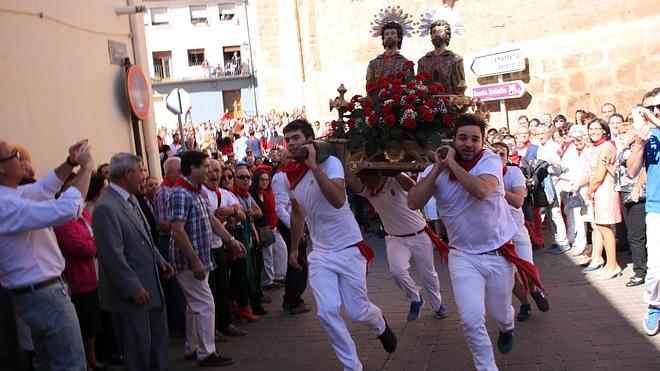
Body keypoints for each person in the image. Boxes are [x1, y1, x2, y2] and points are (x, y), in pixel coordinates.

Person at [408, 114, 545, 371]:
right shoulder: (436, 169)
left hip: (497, 253)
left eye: (475, 139)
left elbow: (482, 191)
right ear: (454, 140)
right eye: (463, 138)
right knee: (471, 320)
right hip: (462, 257)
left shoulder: (490, 160)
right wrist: (438, 167)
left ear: (482, 142)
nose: (468, 144)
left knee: (503, 314)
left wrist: (452, 164)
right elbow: (413, 202)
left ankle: (507, 329)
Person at [282, 119, 397, 370]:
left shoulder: (330, 163)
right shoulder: (289, 174)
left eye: (296, 138)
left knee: (357, 311)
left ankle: (379, 324)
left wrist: (313, 166)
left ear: (310, 140)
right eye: (287, 139)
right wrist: (293, 249)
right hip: (321, 253)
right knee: (326, 312)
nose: (290, 143)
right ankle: (352, 366)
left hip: (348, 248)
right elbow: (297, 213)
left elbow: (337, 199)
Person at [1, 139, 93, 371]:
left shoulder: (12, 195)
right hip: (44, 295)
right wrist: (87, 169)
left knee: (48, 364)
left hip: (38, 295)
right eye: (14, 154)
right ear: (1, 167)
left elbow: (42, 188)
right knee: (71, 365)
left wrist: (70, 162)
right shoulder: (5, 204)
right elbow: (66, 209)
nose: (21, 159)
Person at [92, 153, 174, 371]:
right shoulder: (106, 207)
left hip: (151, 285)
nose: (144, 176)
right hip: (132, 295)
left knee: (157, 345)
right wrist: (132, 288)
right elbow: (111, 255)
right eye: (141, 171)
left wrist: (159, 260)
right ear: (127, 173)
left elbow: (144, 236)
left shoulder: (131, 199)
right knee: (138, 351)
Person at [169, 150, 247, 366]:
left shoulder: (197, 191)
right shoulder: (180, 193)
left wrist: (230, 240)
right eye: (205, 167)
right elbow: (177, 230)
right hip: (189, 261)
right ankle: (206, 353)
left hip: (201, 257)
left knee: (195, 304)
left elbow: (211, 219)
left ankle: (193, 347)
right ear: (193, 168)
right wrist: (194, 260)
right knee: (205, 303)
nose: (210, 171)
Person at [347, 170, 448, 321]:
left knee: (428, 274)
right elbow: (350, 180)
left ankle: (437, 305)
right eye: (363, 178)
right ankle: (416, 298)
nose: (366, 182)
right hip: (395, 239)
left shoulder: (395, 180)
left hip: (419, 235)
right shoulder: (368, 191)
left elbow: (413, 186)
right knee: (397, 272)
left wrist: (395, 171)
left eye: (368, 177)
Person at [54, 173, 108, 371]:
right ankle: (84, 360)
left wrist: (93, 241)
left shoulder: (83, 211)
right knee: (82, 322)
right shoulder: (61, 216)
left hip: (92, 274)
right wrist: (94, 243)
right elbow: (80, 246)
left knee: (93, 320)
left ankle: (92, 357)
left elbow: (96, 233)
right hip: (77, 276)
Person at [491, 142, 549, 322]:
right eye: (495, 154)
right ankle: (525, 303)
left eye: (502, 154)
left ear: (508, 157)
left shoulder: (514, 172)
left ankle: (534, 290)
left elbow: (518, 200)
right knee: (509, 273)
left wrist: (496, 188)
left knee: (527, 266)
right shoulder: (483, 175)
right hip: (498, 234)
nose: (498, 157)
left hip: (516, 229)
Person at [627, 87, 660, 336]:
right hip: (656, 207)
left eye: (659, 108)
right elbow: (631, 170)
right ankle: (654, 305)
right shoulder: (646, 135)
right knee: (657, 269)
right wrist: (639, 142)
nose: (654, 112)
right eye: (649, 109)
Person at [202, 159, 247, 340]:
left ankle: (225, 323)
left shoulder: (225, 193)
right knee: (209, 292)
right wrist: (227, 214)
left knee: (223, 288)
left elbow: (242, 214)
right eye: (211, 170)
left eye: (217, 171)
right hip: (206, 248)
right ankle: (211, 330)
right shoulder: (202, 193)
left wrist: (232, 211)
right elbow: (211, 221)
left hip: (219, 246)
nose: (215, 174)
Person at [272, 149, 312, 314]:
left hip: (295, 222)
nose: (292, 160)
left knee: (298, 260)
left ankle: (293, 298)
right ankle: (293, 299)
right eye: (288, 157)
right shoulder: (281, 177)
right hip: (290, 223)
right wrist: (295, 228)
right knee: (297, 261)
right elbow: (280, 207)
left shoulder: (291, 174)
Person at [583, 119, 622, 279]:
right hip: (599, 191)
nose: (593, 131)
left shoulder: (606, 147)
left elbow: (599, 175)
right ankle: (609, 264)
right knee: (601, 227)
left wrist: (589, 191)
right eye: (591, 129)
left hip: (604, 190)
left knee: (605, 228)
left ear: (604, 130)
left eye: (597, 128)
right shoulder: (597, 147)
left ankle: (613, 265)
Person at [614, 120, 647, 287]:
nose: (621, 136)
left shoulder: (639, 150)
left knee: (636, 236)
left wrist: (637, 187)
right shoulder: (624, 150)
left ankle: (640, 271)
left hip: (638, 196)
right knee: (632, 234)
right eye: (619, 133)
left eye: (624, 133)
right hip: (624, 193)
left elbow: (642, 171)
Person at [417, 9, 467, 94]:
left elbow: (460, 87)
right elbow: (419, 84)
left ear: (447, 35)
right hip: (428, 104)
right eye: (434, 32)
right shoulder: (423, 61)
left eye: (440, 31)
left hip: (449, 104)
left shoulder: (456, 59)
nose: (436, 34)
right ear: (431, 36)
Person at [366, 7, 415, 83]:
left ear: (399, 38)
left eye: (392, 33)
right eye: (386, 34)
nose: (389, 36)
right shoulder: (374, 63)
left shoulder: (405, 64)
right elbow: (369, 86)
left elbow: (410, 86)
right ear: (383, 38)